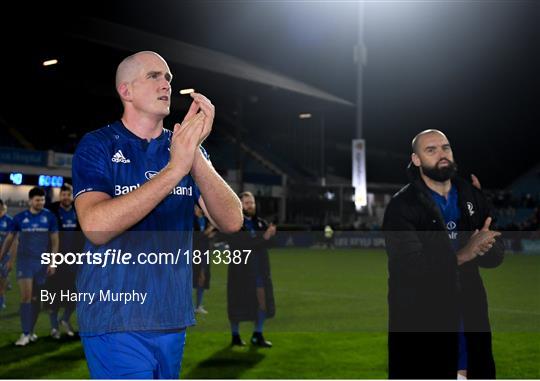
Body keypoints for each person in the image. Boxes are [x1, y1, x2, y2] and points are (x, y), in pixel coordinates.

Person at [72, 51, 242, 379]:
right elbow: (95, 226)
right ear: (126, 91)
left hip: (171, 316)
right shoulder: (98, 145)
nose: (166, 84)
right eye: (154, 76)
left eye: (168, 79)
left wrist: (194, 158)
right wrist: (175, 169)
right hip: (116, 317)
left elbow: (232, 221)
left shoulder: (184, 150)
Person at [382, 129, 504, 379]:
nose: (442, 154)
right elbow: (409, 267)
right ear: (416, 160)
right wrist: (465, 253)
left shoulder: (471, 195)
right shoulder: (401, 206)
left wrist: (485, 247)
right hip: (422, 326)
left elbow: (496, 254)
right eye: (431, 150)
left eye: (445, 147)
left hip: (470, 321)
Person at [0, 187, 58, 346]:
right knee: (25, 297)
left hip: (42, 263)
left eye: (42, 200)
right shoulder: (19, 218)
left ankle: (31, 331)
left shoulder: (49, 217)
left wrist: (53, 262)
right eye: (37, 200)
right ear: (30, 200)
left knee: (36, 300)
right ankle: (25, 334)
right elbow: (10, 239)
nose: (40, 202)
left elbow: (55, 241)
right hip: (25, 262)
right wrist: (1, 256)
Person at [227, 191, 276, 348]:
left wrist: (270, 237)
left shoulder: (260, 223)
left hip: (259, 271)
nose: (251, 206)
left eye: (252, 202)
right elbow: (243, 245)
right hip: (240, 272)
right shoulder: (235, 223)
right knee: (238, 303)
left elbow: (267, 245)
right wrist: (264, 238)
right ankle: (235, 335)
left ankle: (257, 335)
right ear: (240, 205)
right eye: (247, 203)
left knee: (262, 303)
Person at [46, 183, 82, 338]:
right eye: (63, 194)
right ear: (60, 196)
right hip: (57, 259)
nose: (66, 197)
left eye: (68, 194)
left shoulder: (79, 209)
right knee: (55, 294)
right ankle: (54, 327)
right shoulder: (52, 210)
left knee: (75, 295)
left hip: (74, 259)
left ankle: (65, 319)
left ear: (72, 195)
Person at [192, 204, 215, 314]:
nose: (197, 209)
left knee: (203, 277)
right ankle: (188, 305)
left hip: (204, 252)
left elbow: (209, 235)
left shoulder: (206, 220)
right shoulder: (191, 220)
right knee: (191, 279)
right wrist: (207, 232)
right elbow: (194, 238)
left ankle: (198, 305)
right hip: (192, 252)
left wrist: (210, 234)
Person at [0, 199, 15, 310]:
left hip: (5, 255)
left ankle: (2, 300)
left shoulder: (9, 221)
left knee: (2, 279)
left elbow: (14, 241)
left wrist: (11, 260)